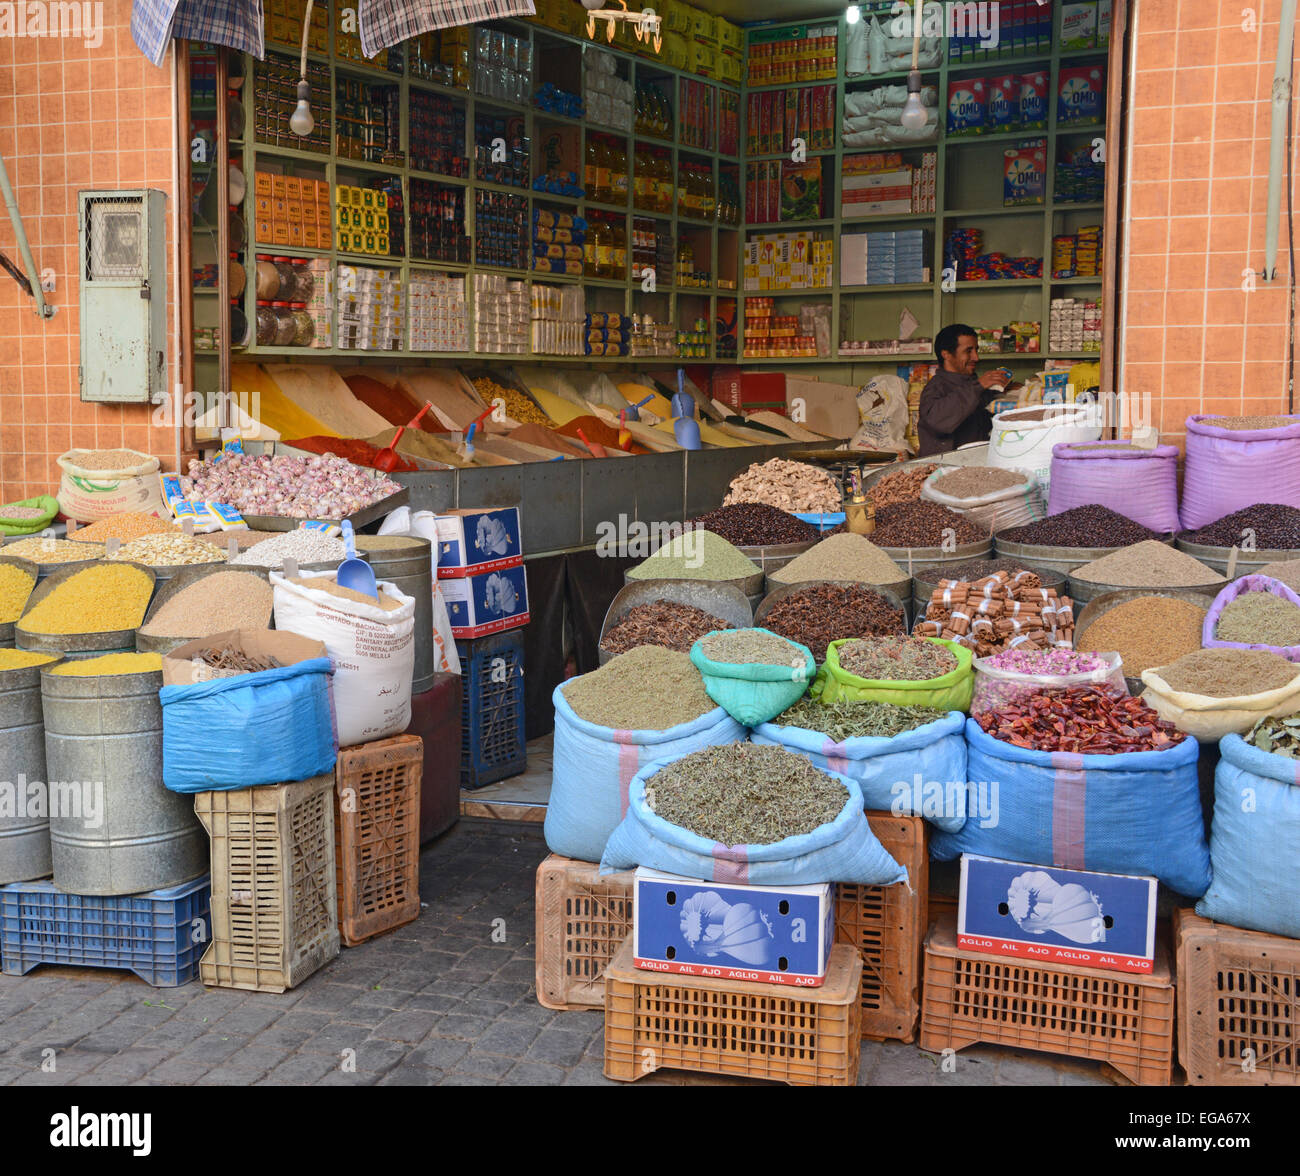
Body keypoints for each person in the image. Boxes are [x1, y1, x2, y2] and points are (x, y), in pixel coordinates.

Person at [916, 323, 1017, 457]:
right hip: (946, 470)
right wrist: (979, 385)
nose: (976, 357)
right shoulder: (936, 387)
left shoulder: (972, 383)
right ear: (946, 354)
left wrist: (1009, 392)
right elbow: (938, 421)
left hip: (977, 464)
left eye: (976, 350)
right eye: (968, 351)